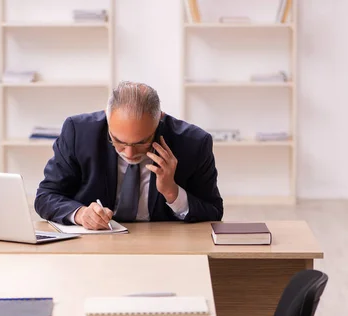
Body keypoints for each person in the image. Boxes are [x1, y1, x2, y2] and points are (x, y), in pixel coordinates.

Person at [34, 81, 223, 230]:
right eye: (118, 141)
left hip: (164, 248)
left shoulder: (194, 143)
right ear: (107, 118)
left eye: (141, 142)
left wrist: (172, 192)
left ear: (160, 120)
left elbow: (214, 212)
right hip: (94, 247)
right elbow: (46, 196)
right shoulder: (79, 133)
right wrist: (80, 214)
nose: (130, 153)